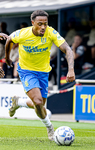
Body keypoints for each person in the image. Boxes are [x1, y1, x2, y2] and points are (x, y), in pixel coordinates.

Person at [5, 10, 75, 141]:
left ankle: (18, 102)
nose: (43, 27)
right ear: (33, 23)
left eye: (45, 24)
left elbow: (67, 49)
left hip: (43, 72)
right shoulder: (23, 34)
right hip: (26, 71)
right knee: (37, 101)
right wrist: (7, 57)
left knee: (40, 105)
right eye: (40, 24)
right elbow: (9, 40)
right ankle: (50, 128)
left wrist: (71, 69)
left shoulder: (51, 32)